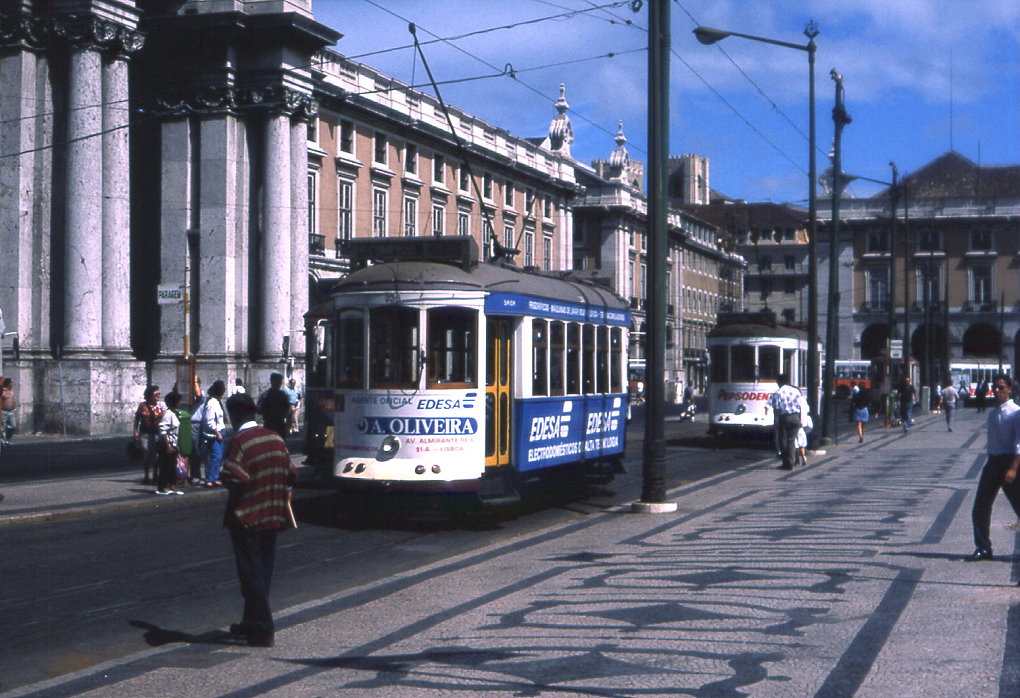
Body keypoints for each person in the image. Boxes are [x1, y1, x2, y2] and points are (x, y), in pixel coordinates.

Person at [221, 392, 296, 648]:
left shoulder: (240, 441)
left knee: (250, 574)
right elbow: (291, 471)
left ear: (234, 415)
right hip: (273, 513)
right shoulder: (274, 437)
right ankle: (250, 622)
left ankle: (263, 628)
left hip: (247, 515)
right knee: (263, 570)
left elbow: (236, 476)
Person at [965, 374, 1020, 562]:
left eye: (1001, 387)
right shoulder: (993, 414)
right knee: (981, 506)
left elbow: (1019, 444)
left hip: (1010, 462)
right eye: (994, 387)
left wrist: (1013, 469)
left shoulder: (1016, 413)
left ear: (1010, 389)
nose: (997, 391)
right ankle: (983, 547)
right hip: (993, 462)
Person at [192, 379, 227, 486]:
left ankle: (215, 477)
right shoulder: (211, 403)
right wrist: (217, 433)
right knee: (215, 456)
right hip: (215, 433)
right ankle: (209, 479)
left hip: (221, 430)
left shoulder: (217, 402)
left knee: (218, 457)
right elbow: (209, 420)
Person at [133, 385, 166, 484]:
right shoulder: (143, 406)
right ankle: (147, 475)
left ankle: (156, 475)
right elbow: (137, 419)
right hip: (145, 433)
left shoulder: (161, 406)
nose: (158, 396)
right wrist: (135, 431)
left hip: (157, 433)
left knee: (156, 455)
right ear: (150, 396)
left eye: (159, 394)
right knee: (146, 454)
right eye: (156, 395)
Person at [769, 373, 802, 471]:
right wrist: (800, 419)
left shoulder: (777, 393)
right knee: (791, 440)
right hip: (795, 417)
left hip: (784, 417)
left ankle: (786, 463)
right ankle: (791, 461)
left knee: (782, 440)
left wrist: (775, 421)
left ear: (779, 382)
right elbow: (800, 406)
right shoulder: (796, 391)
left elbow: (776, 408)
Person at [155, 392, 184, 495]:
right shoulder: (168, 414)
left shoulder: (173, 413)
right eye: (178, 402)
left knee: (172, 466)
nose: (180, 404)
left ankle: (172, 485)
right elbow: (163, 430)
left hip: (173, 444)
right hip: (166, 444)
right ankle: (162, 487)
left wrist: (176, 445)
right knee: (165, 466)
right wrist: (168, 446)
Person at [258, 372, 291, 440]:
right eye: (278, 381)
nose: (279, 383)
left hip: (270, 423)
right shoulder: (282, 395)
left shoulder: (266, 394)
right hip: (277, 423)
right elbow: (288, 410)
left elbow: (259, 409)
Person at [794, 393, 812, 467]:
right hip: (803, 424)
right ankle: (802, 457)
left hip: (797, 423)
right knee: (801, 442)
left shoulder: (796, 400)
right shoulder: (804, 400)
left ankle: (798, 459)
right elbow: (807, 410)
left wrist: (800, 420)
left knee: (795, 442)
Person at [1, 377, 16, 445]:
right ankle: (3, 440)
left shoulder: (11, 392)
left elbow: (13, 401)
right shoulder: (2, 391)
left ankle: (8, 439)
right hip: (3, 411)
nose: (12, 384)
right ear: (8, 383)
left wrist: (14, 409)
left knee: (13, 426)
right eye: (11, 382)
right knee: (2, 427)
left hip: (10, 411)